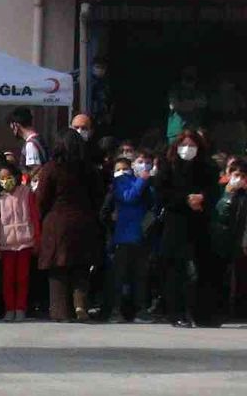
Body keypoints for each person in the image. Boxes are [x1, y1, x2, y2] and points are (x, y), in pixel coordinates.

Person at [35, 129, 106, 322]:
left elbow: (41, 199)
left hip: (57, 222)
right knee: (81, 268)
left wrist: (40, 219)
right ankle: (80, 306)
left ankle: (60, 311)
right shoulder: (89, 169)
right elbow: (98, 196)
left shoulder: (51, 168)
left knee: (58, 268)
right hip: (84, 221)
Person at [155, 129, 221, 328]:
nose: (188, 149)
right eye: (184, 145)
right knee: (176, 269)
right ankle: (176, 313)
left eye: (192, 146)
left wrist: (202, 198)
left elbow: (214, 191)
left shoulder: (207, 167)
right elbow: (162, 192)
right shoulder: (169, 166)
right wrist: (185, 199)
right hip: (176, 222)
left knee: (204, 268)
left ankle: (203, 314)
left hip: (200, 222)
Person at [108, 155, 155, 322]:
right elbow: (129, 197)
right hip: (123, 237)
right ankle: (116, 310)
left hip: (140, 235)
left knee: (140, 276)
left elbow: (152, 202)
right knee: (120, 276)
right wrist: (142, 180)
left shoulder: (143, 181)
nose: (144, 166)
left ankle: (140, 310)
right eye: (140, 162)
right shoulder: (121, 182)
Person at [0, 163, 40, 321]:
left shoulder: (27, 193)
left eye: (9, 177)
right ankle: (9, 308)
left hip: (24, 242)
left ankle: (20, 308)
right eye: (2, 178)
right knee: (7, 279)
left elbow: (34, 217)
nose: (6, 181)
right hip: (6, 243)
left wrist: (36, 239)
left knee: (22, 277)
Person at [202, 163, 246, 327]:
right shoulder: (219, 191)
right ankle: (209, 312)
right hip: (216, 239)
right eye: (235, 175)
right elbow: (219, 213)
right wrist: (228, 194)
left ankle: (223, 312)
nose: (238, 179)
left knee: (227, 279)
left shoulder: (243, 196)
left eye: (242, 176)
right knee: (213, 277)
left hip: (233, 243)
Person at [167, 66, 207, 145]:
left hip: (193, 132)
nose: (189, 78)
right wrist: (193, 103)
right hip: (176, 131)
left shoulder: (198, 92)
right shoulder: (175, 91)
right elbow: (175, 105)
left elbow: (203, 103)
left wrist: (184, 104)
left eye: (192, 75)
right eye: (187, 75)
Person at [7, 107, 46, 175]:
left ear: (16, 125)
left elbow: (36, 168)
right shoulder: (40, 139)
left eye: (12, 128)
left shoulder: (31, 144)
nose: (13, 132)